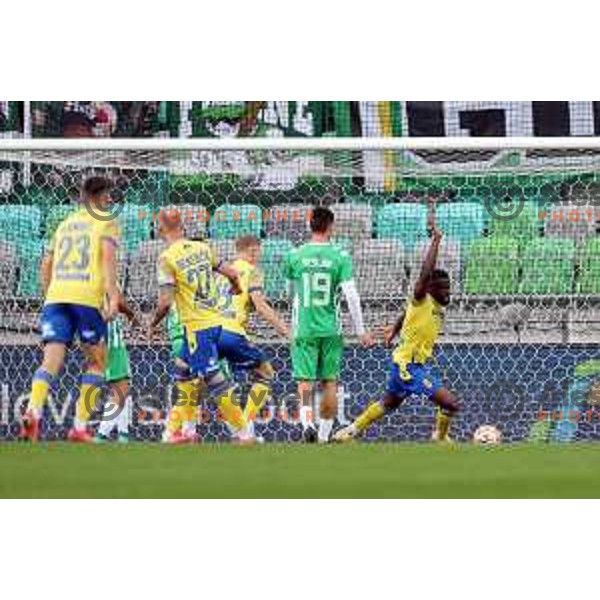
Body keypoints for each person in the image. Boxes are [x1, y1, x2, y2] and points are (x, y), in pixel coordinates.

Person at [333, 223, 459, 443]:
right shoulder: (423, 296)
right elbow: (425, 273)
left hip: (409, 363)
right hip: (408, 366)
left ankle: (349, 432)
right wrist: (436, 241)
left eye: (449, 287)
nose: (448, 292)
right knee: (450, 404)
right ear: (429, 288)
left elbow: (408, 312)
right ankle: (440, 437)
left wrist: (395, 327)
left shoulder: (432, 305)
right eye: (443, 288)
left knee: (388, 403)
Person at [21, 176, 120, 442]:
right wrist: (113, 298)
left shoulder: (65, 224)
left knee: (50, 361)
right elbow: (109, 263)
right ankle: (78, 427)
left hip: (56, 297)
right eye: (108, 195)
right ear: (97, 197)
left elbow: (46, 263)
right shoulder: (106, 221)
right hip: (86, 297)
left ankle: (33, 411)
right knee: (98, 362)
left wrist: (49, 295)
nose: (111, 200)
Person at [147, 211, 254, 443]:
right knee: (183, 372)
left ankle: (244, 433)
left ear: (160, 229)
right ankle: (175, 433)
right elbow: (232, 272)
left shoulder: (166, 258)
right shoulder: (202, 248)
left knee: (213, 379)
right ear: (183, 227)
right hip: (215, 321)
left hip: (197, 327)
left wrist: (152, 324)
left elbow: (165, 303)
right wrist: (235, 286)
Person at [284, 206, 374, 443]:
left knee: (305, 382)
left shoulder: (295, 255)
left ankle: (306, 425)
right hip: (331, 328)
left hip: (303, 328)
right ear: (331, 227)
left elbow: (290, 292)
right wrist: (361, 331)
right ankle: (323, 437)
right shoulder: (340, 256)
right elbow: (352, 296)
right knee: (329, 382)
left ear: (309, 224)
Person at [95, 294, 139, 443]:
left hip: (105, 340)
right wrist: (132, 315)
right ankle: (101, 435)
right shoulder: (105, 276)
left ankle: (123, 434)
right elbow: (118, 300)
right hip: (110, 340)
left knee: (121, 389)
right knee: (121, 391)